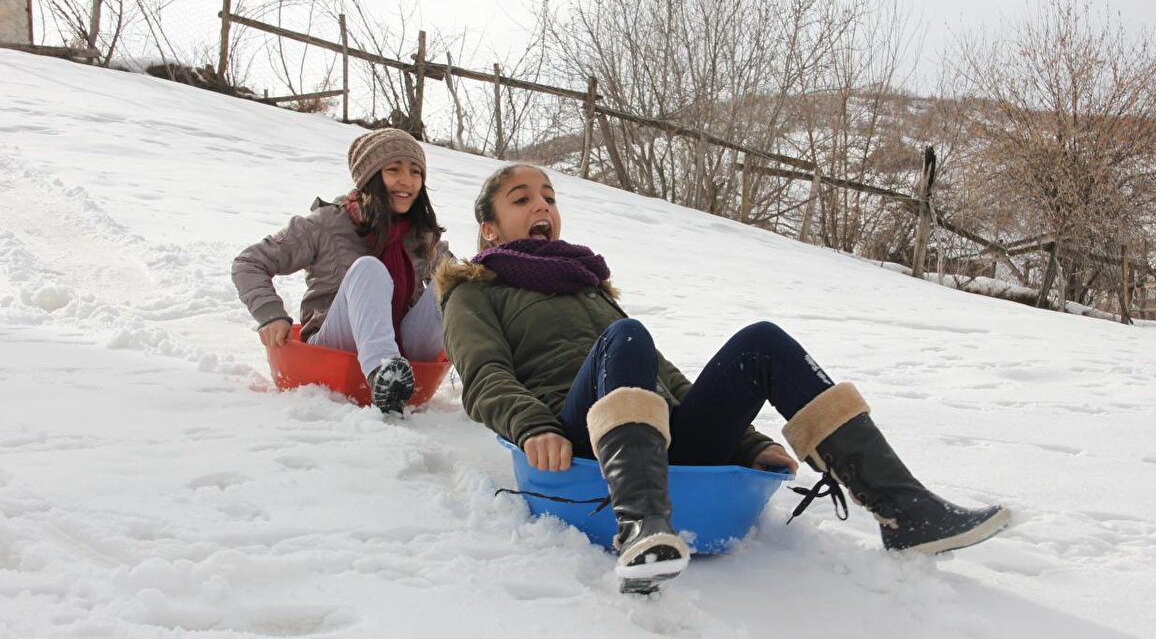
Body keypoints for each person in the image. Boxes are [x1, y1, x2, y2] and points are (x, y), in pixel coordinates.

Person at [436, 164, 1011, 594]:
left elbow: (669, 382)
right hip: (575, 439)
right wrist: (533, 425)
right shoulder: (475, 290)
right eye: (522, 198)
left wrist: (746, 443)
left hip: (655, 438)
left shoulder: (589, 288)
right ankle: (639, 525)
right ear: (489, 228)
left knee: (761, 342)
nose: (543, 206)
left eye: (550, 197)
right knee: (628, 337)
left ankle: (905, 510)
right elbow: (484, 376)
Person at [233, 128, 451, 417]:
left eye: (415, 172)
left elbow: (467, 283)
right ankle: (383, 371)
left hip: (408, 354)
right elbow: (249, 263)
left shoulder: (421, 235)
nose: (407, 181)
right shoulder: (326, 224)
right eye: (393, 169)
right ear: (370, 177)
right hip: (334, 348)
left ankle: (404, 374)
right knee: (369, 269)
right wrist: (270, 314)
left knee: (454, 283)